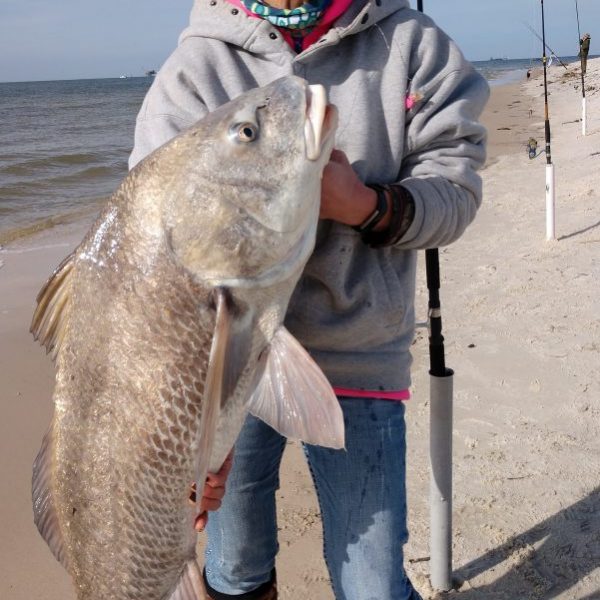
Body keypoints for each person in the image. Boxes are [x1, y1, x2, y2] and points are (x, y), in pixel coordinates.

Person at [129, 0, 489, 598]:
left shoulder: (412, 44)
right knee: (234, 564)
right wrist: (190, 422)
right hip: (229, 367)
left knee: (372, 580)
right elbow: (148, 240)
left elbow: (456, 189)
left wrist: (366, 206)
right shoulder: (197, 66)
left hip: (360, 352)